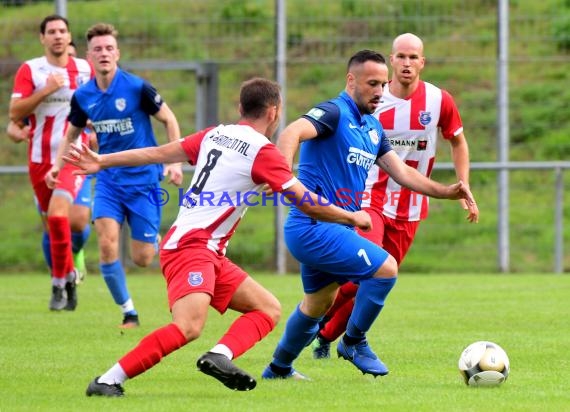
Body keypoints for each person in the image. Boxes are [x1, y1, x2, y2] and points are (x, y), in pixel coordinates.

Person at [62, 77, 373, 396]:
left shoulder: (217, 133)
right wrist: (351, 216)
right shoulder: (263, 152)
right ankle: (107, 380)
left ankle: (219, 356)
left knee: (267, 308)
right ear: (274, 112)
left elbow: (159, 153)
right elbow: (307, 203)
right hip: (191, 247)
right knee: (188, 326)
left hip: (206, 251)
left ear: (241, 107)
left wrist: (102, 160)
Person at [261, 49, 477, 380]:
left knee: (317, 305)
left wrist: (447, 191)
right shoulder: (333, 112)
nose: (379, 91)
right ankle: (353, 341)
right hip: (313, 225)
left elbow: (402, 172)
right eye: (371, 83)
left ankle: (278, 368)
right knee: (385, 269)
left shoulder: (372, 128)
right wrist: (282, 173)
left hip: (333, 229)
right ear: (351, 80)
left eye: (382, 84)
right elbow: (292, 132)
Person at [310, 33, 480, 359]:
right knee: (369, 266)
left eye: (413, 57)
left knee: (375, 280)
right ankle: (316, 311)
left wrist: (463, 185)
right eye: (401, 56)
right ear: (391, 60)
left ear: (422, 62)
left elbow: (457, 141)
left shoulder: (438, 100)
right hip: (370, 197)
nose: (406, 63)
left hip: (411, 206)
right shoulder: (374, 98)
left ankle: (326, 335)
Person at [47, 22, 184, 328]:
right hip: (108, 181)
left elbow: (169, 118)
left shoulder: (137, 88)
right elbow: (71, 134)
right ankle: (129, 313)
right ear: (89, 56)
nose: (104, 53)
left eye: (109, 48)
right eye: (98, 49)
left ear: (117, 54)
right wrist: (58, 165)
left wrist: (174, 163)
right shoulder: (83, 96)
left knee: (143, 258)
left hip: (144, 181)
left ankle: (156, 240)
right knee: (107, 244)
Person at [8, 15, 94, 311]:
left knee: (68, 219)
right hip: (39, 160)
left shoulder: (85, 69)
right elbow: (14, 112)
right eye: (52, 32)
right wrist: (46, 89)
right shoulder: (31, 70)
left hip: (74, 156)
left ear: (69, 37)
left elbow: (99, 104)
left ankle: (60, 283)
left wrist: (95, 132)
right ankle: (66, 279)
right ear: (42, 38)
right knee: (53, 223)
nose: (58, 36)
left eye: (63, 31)